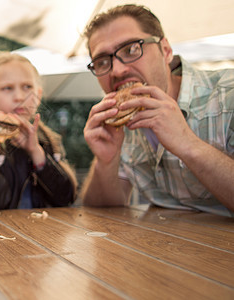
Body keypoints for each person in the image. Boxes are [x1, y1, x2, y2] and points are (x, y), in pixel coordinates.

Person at [80, 4, 234, 217]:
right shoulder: (119, 123)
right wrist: (106, 162)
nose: (117, 70)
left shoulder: (228, 94)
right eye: (102, 61)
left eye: (131, 49)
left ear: (166, 50)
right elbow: (100, 213)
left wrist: (188, 144)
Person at [0, 52, 77, 210]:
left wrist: (36, 152)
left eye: (27, 87)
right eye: (7, 88)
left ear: (39, 94)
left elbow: (66, 197)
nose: (19, 97)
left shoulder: (47, 140)